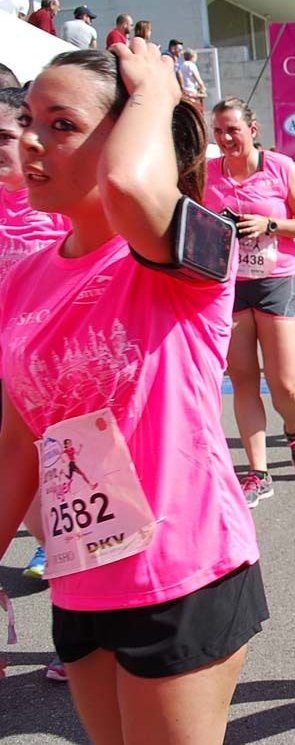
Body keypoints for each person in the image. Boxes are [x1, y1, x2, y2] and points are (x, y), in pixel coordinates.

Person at [0, 40, 266, 745]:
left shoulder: (199, 246)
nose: (30, 140)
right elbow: (16, 444)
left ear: (129, 135)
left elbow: (127, 192)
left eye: (61, 125)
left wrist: (156, 88)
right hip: (81, 579)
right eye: (28, 119)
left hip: (183, 574)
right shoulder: (20, 279)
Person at [204, 97, 295, 506]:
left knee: (283, 383)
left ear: (252, 130)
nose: (224, 139)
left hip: (276, 280)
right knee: (242, 378)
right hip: (229, 285)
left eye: (232, 130)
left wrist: (270, 223)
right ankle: (259, 471)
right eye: (218, 132)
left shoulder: (280, 167)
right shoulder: (206, 173)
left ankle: (293, 427)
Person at [1, 85, 71, 673]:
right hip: (11, 365)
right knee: (29, 502)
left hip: (68, 373)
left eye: (7, 137)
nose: (11, 150)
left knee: (72, 494)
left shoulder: (60, 200)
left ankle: (80, 638)